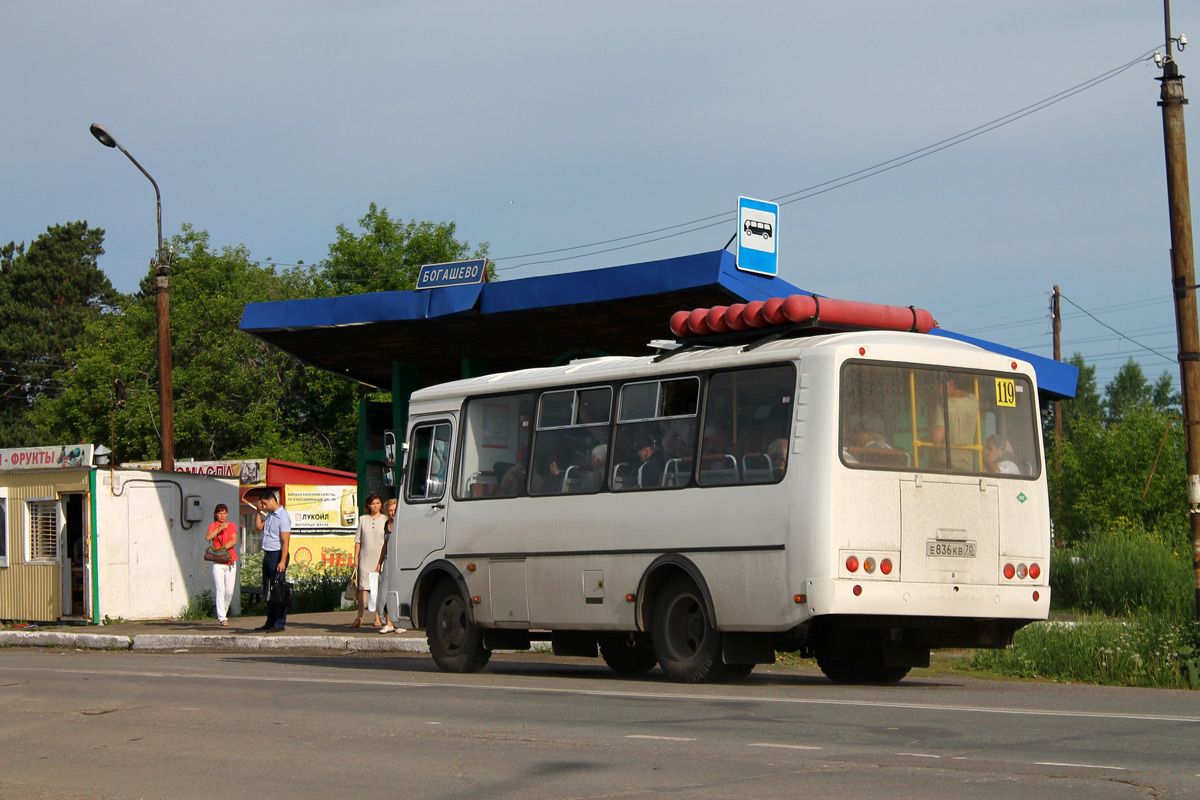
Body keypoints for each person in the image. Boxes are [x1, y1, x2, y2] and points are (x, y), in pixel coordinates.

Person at [253, 490, 291, 632]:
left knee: (278, 590)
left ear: (272, 501)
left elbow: (286, 541)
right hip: (268, 554)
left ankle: (279, 623)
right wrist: (258, 512)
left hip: (278, 554)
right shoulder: (269, 516)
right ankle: (270, 620)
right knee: (268, 589)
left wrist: (282, 561)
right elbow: (258, 527)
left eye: (264, 503)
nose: (263, 506)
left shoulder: (283, 517)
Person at [351, 492, 386, 628]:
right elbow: (358, 540)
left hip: (380, 557)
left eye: (377, 503)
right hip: (365, 557)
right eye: (372, 503)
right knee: (363, 588)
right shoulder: (363, 519)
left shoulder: (385, 519)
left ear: (381, 504)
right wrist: (356, 558)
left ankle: (378, 616)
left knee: (378, 588)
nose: (375, 506)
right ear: (368, 505)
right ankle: (359, 617)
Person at [930, 376, 980, 471]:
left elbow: (937, 438)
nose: (936, 388)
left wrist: (926, 438)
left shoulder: (943, 405)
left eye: (938, 384)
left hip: (945, 464)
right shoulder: (974, 401)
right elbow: (966, 394)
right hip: (967, 466)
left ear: (951, 383)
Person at [376, 498, 407, 634]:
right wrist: (379, 562)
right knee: (385, 591)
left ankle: (401, 622)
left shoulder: (403, 523)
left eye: (395, 510)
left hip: (401, 559)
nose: (393, 512)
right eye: (390, 510)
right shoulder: (387, 524)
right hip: (388, 560)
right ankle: (389, 622)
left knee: (400, 590)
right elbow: (385, 544)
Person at [205, 503, 238, 627]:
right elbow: (208, 537)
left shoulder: (232, 525)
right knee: (221, 590)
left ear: (227, 514)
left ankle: (223, 611)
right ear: (216, 514)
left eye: (224, 513)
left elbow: (234, 540)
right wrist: (219, 528)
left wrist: (223, 548)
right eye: (219, 513)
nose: (222, 515)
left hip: (230, 560)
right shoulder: (213, 526)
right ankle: (222, 617)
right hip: (218, 562)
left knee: (229, 591)